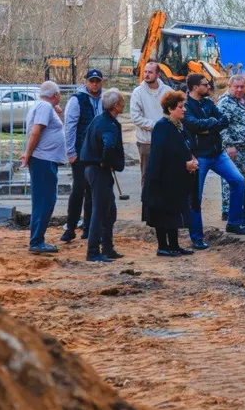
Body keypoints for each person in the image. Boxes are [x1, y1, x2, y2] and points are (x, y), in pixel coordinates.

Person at [183, 73, 245, 248]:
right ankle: (197, 237)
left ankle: (233, 222)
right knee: (195, 196)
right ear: (195, 87)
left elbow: (224, 121)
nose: (209, 87)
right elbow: (193, 125)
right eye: (205, 84)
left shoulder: (208, 103)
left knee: (238, 181)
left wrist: (207, 127)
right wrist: (211, 124)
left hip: (217, 153)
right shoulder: (186, 106)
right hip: (199, 156)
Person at [142, 90, 198, 257]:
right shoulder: (162, 126)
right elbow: (161, 156)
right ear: (170, 109)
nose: (184, 109)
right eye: (181, 107)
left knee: (173, 212)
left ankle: (174, 245)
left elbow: (183, 148)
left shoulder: (177, 126)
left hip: (173, 179)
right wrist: (184, 165)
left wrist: (191, 159)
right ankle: (163, 246)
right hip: (161, 180)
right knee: (161, 213)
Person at [80, 88, 126, 263]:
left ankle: (107, 248)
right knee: (100, 211)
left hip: (93, 169)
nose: (124, 104)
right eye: (122, 102)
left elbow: (87, 136)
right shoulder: (108, 125)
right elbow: (109, 146)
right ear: (116, 105)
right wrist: (107, 163)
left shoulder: (99, 120)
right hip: (99, 170)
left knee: (109, 210)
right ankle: (93, 251)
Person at [20, 82, 66, 255]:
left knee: (43, 200)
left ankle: (37, 239)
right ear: (56, 95)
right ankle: (37, 241)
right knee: (45, 201)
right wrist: (28, 153)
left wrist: (54, 109)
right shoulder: (45, 107)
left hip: (45, 159)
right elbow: (36, 131)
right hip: (43, 159)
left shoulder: (44, 106)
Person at [61, 69, 105, 243]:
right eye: (91, 81)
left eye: (97, 81)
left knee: (92, 191)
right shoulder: (77, 100)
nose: (94, 84)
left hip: (97, 153)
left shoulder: (104, 99)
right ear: (86, 82)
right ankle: (70, 227)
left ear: (101, 82)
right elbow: (70, 127)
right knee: (79, 189)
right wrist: (70, 152)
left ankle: (88, 228)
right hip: (80, 152)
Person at [130, 61, 171, 194]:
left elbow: (175, 113)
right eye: (145, 72)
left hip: (166, 141)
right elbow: (136, 117)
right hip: (146, 142)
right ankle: (147, 204)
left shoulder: (168, 91)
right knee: (147, 176)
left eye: (150, 72)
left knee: (166, 175)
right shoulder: (138, 92)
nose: (146, 75)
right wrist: (157, 126)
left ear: (158, 74)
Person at [217, 75, 245, 222]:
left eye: (242, 87)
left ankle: (238, 209)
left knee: (242, 180)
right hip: (232, 148)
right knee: (230, 180)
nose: (239, 89)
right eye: (236, 87)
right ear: (230, 86)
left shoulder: (244, 101)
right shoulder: (225, 102)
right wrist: (229, 145)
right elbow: (222, 127)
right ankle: (227, 210)